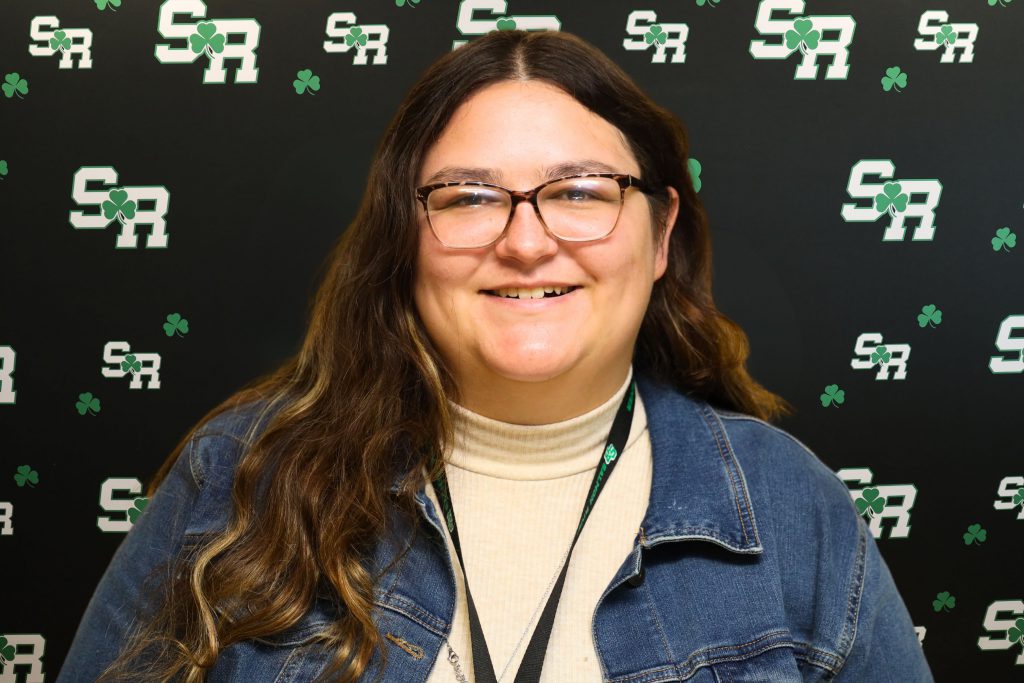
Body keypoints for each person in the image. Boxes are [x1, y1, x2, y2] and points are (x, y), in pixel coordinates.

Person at [58, 29, 934, 683]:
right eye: (471, 197)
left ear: (661, 234)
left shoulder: (793, 508)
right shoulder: (238, 481)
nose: (525, 242)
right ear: (407, 235)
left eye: (581, 191)